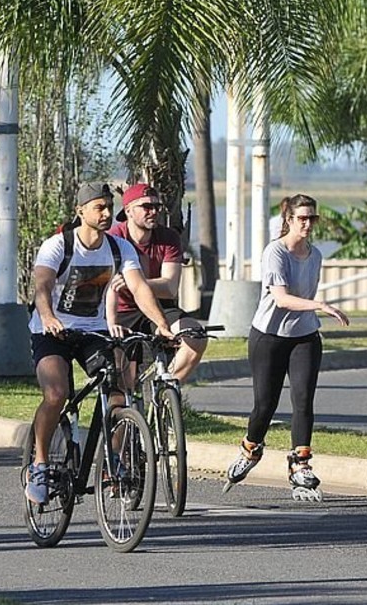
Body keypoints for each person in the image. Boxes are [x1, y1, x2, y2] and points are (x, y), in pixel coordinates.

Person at [25, 183, 174, 505]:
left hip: (94, 331)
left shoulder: (120, 248)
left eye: (109, 207)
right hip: (52, 331)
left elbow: (139, 288)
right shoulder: (58, 246)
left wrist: (162, 325)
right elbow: (42, 284)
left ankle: (113, 461)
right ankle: (39, 464)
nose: (107, 213)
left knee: (120, 390)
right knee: (56, 394)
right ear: (81, 211)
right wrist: (49, 316)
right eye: (99, 208)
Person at [222, 194, 350, 501]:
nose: (307, 224)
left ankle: (300, 463)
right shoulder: (275, 252)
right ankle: (250, 449)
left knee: (303, 399)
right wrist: (320, 305)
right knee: (265, 404)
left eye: (312, 218)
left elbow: (302, 298)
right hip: (269, 336)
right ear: (288, 220)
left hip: (305, 335)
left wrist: (314, 312)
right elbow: (281, 298)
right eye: (302, 218)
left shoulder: (315, 254)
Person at [107, 183, 207, 383]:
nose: (153, 212)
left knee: (195, 336)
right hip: (122, 310)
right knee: (122, 382)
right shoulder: (113, 239)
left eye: (157, 207)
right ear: (128, 211)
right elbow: (109, 287)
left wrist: (134, 283)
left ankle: (164, 387)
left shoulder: (168, 237)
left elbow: (169, 287)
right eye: (146, 207)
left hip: (158, 307)